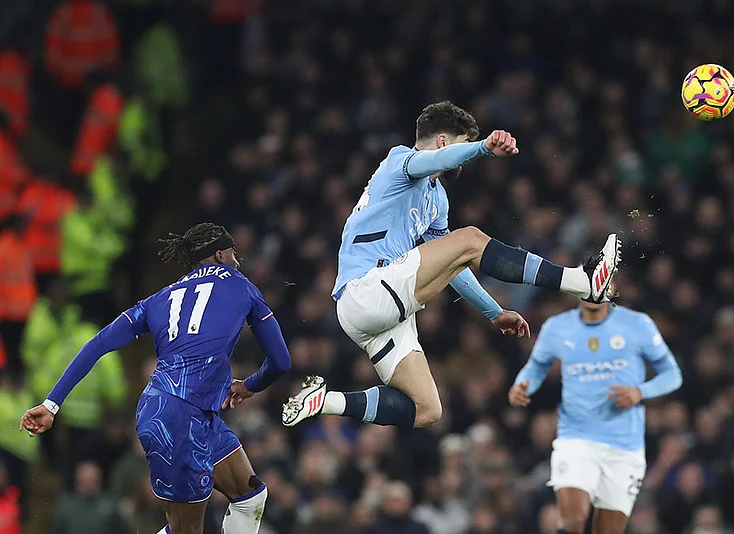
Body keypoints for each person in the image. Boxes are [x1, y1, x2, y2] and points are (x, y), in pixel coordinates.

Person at [282, 101, 621, 430]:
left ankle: (324, 401)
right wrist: (483, 148)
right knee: (470, 238)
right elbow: (441, 169)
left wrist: (494, 312)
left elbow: (453, 264)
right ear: (443, 142)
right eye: (463, 143)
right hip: (368, 288)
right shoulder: (400, 161)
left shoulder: (437, 198)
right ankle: (582, 283)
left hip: (373, 311)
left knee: (426, 409)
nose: (465, 155)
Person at [20, 223, 292, 534]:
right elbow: (281, 363)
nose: (237, 260)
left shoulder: (160, 298)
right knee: (186, 530)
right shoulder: (242, 286)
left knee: (250, 496)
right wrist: (251, 385)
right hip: (179, 419)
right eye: (234, 253)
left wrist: (51, 404)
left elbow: (97, 344)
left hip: (176, 411)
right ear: (219, 255)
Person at [507, 296, 683, 534]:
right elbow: (536, 366)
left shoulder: (637, 324)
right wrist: (522, 385)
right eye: (585, 282)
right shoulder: (557, 327)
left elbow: (672, 375)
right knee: (572, 520)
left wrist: (640, 392)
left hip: (623, 445)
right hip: (575, 438)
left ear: (611, 286)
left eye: (598, 282)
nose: (592, 289)